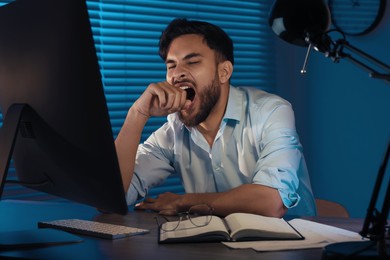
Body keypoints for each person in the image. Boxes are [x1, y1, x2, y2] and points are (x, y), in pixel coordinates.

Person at [115, 18, 316, 217]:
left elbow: (270, 203)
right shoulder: (172, 133)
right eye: (171, 66)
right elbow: (114, 197)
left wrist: (182, 202)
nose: (177, 74)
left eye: (192, 62)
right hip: (212, 247)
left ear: (224, 72)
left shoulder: (271, 112)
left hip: (290, 245)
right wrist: (137, 114)